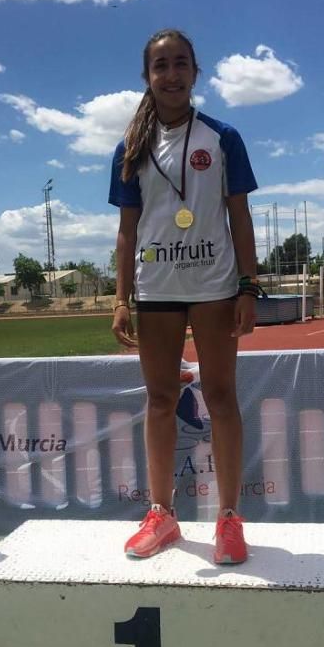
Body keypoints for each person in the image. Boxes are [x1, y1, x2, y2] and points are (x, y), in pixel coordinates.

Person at [109, 29, 260, 563]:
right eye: (160, 66)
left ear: (196, 73)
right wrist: (121, 297)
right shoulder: (130, 148)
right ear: (147, 77)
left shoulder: (223, 137)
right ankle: (162, 514)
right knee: (159, 400)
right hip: (155, 291)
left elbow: (239, 215)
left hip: (215, 287)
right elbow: (128, 230)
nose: (170, 74)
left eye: (180, 64)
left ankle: (228, 519)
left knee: (220, 397)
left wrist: (249, 283)